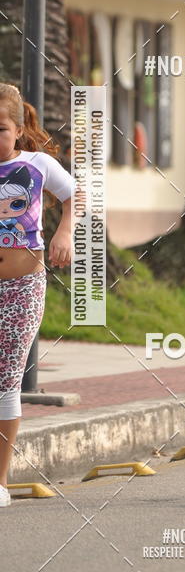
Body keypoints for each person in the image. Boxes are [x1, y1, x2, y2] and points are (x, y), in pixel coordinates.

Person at [0, 84, 73, 507]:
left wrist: (65, 232)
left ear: (18, 129)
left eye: (1, 129)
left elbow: (76, 193)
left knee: (5, 382)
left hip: (21, 287)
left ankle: (1, 482)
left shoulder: (38, 164)